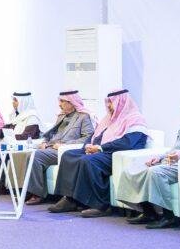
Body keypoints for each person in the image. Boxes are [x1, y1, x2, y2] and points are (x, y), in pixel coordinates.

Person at [116, 92, 180, 229]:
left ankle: (168, 216)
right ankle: (149, 212)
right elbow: (175, 148)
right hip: (172, 159)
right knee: (133, 169)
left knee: (156, 172)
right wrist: (159, 158)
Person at [48, 89, 149, 217]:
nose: (108, 105)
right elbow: (95, 136)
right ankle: (70, 199)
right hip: (103, 151)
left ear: (121, 102)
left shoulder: (135, 119)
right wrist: (88, 146)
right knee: (69, 155)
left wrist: (100, 148)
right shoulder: (110, 119)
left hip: (117, 154)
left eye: (111, 102)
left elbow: (127, 143)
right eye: (108, 102)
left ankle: (102, 205)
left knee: (88, 161)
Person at [24, 90, 97, 204]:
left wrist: (65, 145)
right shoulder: (61, 116)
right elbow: (51, 134)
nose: (59, 104)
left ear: (71, 102)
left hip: (64, 150)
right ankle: (28, 190)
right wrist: (45, 142)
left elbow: (87, 138)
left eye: (62, 101)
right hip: (51, 147)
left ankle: (36, 194)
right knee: (28, 152)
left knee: (35, 156)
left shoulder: (83, 117)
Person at [0, 91, 44, 193]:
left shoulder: (32, 117)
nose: (13, 103)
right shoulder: (16, 116)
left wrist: (9, 138)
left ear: (23, 102)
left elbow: (26, 136)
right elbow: (2, 131)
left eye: (15, 100)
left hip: (21, 146)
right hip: (10, 143)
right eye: (13, 100)